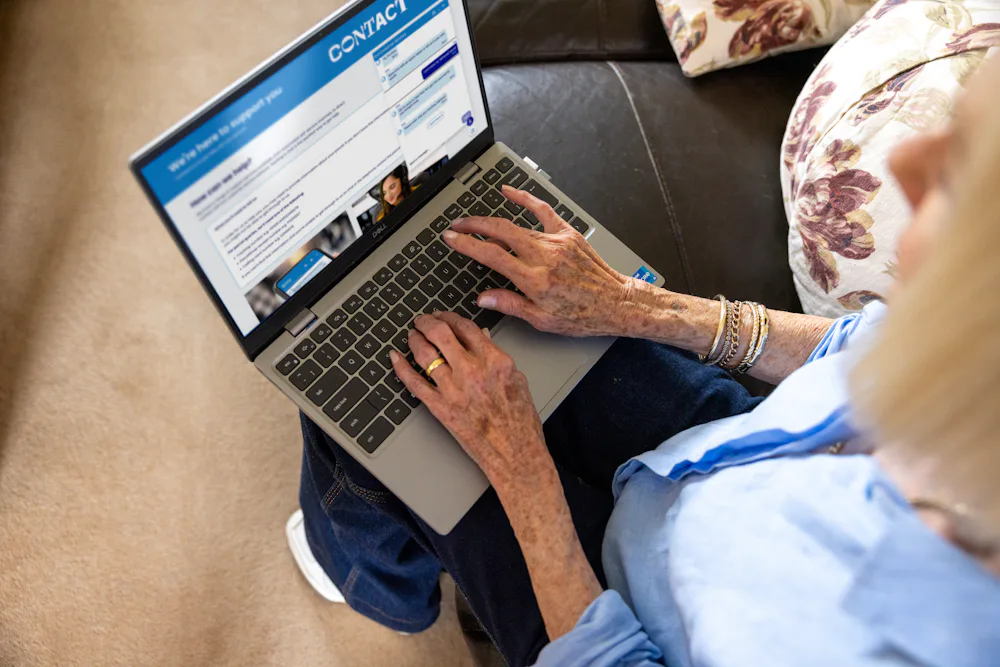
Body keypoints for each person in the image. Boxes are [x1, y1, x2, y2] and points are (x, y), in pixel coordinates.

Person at [293, 56, 1000, 666]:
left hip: (618, 627)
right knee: (459, 300)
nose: (906, 160)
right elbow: (854, 351)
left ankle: (370, 584)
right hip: (728, 454)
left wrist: (522, 471)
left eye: (960, 172)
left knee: (373, 399)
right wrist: (626, 303)